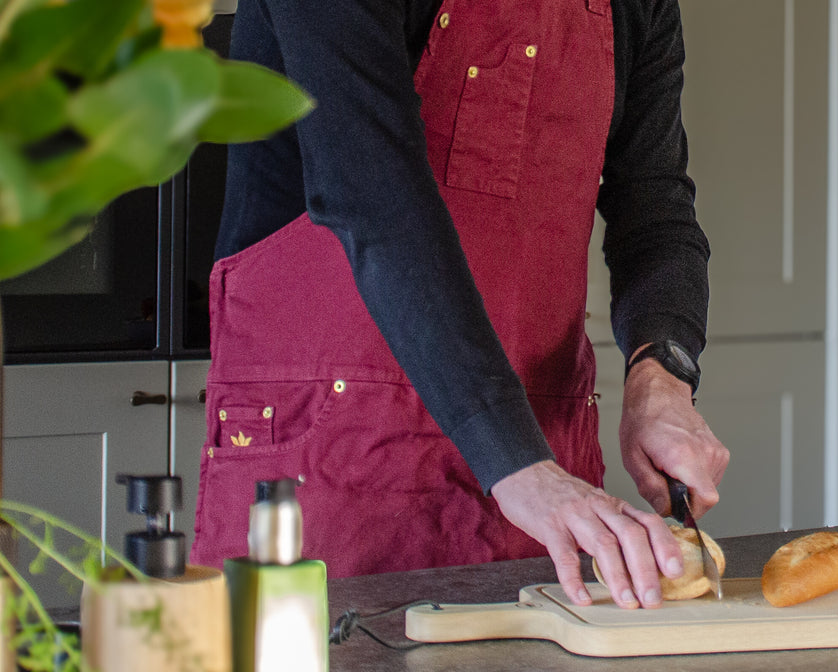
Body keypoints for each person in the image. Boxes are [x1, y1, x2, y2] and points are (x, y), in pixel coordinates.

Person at [190, 0, 730, 611]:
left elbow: (655, 209)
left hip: (539, 463)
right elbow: (371, 192)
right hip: (334, 460)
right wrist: (515, 462)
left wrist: (661, 380)